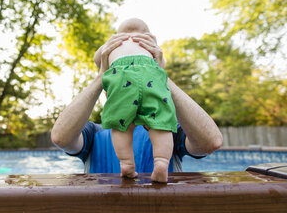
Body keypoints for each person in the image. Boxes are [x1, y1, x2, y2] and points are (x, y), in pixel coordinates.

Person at [51, 25, 223, 182]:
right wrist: (103, 77)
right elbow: (60, 137)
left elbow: (211, 142)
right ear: (107, 90)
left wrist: (160, 77)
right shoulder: (94, 134)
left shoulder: (173, 131)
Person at [93, 18, 177, 182]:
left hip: (120, 74)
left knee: (121, 125)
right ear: (148, 34)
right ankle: (161, 161)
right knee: (160, 121)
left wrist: (107, 49)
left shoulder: (114, 43)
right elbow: (162, 65)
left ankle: (126, 164)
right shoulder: (149, 42)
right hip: (150, 72)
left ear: (117, 35)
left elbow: (98, 59)